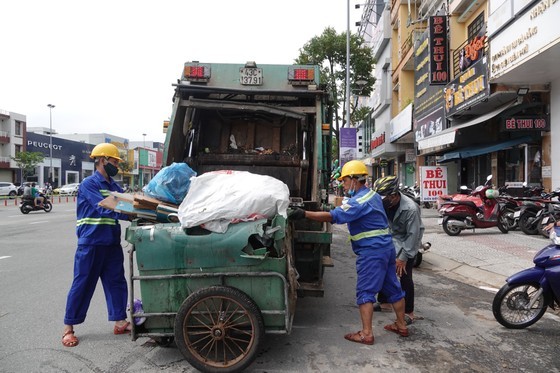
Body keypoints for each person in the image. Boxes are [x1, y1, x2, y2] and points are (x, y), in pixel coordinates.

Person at [290, 160, 408, 345]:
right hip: (386, 249)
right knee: (393, 287)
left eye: (344, 181)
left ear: (354, 180)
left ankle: (367, 333)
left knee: (365, 291)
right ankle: (401, 325)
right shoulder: (373, 196)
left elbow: (333, 216)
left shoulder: (357, 202)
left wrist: (303, 214)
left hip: (371, 253)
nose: (343, 185)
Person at [62, 143, 133, 348]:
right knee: (82, 285)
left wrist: (141, 212)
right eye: (114, 161)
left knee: (116, 282)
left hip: (110, 242)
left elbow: (127, 203)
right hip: (91, 243)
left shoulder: (114, 186)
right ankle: (68, 328)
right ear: (102, 160)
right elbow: (105, 207)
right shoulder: (89, 184)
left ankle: (120, 321)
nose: (116, 166)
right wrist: (130, 212)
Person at [372, 176, 424, 325]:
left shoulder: (411, 209)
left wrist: (403, 258)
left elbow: (413, 236)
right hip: (389, 242)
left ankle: (409, 312)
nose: (383, 200)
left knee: (404, 275)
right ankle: (385, 302)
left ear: (394, 196)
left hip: (408, 244)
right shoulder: (384, 204)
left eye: (386, 197)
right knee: (383, 270)